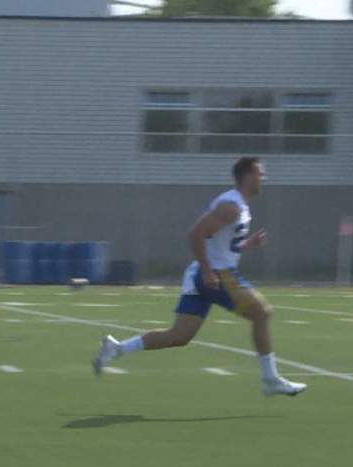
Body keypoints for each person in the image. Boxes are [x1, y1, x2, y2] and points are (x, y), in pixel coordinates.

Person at [93, 157, 307, 397]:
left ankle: (117, 348)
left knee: (179, 336)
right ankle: (270, 379)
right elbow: (195, 234)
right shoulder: (231, 206)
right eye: (260, 174)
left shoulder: (240, 207)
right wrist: (207, 269)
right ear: (247, 176)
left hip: (207, 273)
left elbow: (221, 243)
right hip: (218, 274)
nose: (264, 178)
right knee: (262, 312)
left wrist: (248, 245)